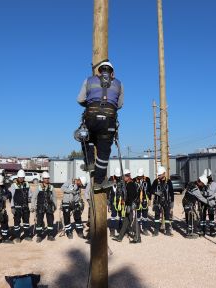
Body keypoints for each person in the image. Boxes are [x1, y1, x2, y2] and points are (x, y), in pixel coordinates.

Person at [76, 61, 124, 190]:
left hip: (91, 117)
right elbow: (119, 105)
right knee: (103, 152)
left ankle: (89, 162)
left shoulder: (89, 80)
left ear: (99, 71)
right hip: (109, 120)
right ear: (112, 72)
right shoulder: (119, 84)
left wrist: (91, 104)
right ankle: (98, 182)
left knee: (86, 136)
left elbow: (80, 99)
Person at [113, 169, 140, 243]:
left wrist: (125, 201)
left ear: (128, 176)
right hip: (128, 205)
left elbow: (131, 197)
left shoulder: (131, 184)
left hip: (131, 206)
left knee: (133, 222)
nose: (123, 178)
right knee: (125, 222)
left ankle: (138, 238)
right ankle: (120, 237)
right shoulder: (127, 184)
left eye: (124, 176)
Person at [32, 172, 57, 242]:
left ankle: (50, 235)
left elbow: (54, 197)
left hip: (49, 206)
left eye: (48, 178)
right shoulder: (39, 187)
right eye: (45, 178)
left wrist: (55, 206)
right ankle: (39, 236)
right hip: (40, 207)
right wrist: (33, 206)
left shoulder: (51, 187)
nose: (47, 179)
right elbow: (33, 197)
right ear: (42, 179)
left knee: (50, 221)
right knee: (39, 222)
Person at [9, 170, 33, 243]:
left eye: (22, 178)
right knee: (17, 223)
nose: (21, 179)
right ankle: (17, 237)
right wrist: (12, 207)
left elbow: (30, 193)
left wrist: (30, 197)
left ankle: (26, 236)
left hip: (25, 207)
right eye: (20, 178)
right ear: (18, 177)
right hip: (17, 207)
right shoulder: (14, 185)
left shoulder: (27, 184)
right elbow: (11, 197)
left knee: (26, 222)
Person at [151, 166, 174, 236]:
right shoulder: (156, 181)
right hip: (158, 202)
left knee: (167, 217)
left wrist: (172, 202)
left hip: (166, 202)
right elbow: (151, 190)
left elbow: (171, 192)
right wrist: (156, 192)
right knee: (157, 217)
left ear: (164, 174)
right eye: (158, 175)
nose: (158, 176)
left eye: (160, 175)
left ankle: (167, 231)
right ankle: (156, 231)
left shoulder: (169, 182)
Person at [134, 168, 152, 236]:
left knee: (145, 216)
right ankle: (137, 229)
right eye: (138, 176)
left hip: (145, 199)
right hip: (137, 200)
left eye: (140, 176)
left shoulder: (147, 179)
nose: (139, 177)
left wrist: (150, 199)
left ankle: (145, 229)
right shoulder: (134, 180)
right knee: (138, 216)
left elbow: (150, 190)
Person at [201, 169, 216, 236]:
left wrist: (202, 193)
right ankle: (202, 230)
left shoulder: (214, 184)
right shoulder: (202, 182)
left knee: (211, 216)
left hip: (211, 201)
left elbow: (211, 193)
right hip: (203, 201)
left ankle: (212, 230)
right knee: (202, 216)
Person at [108, 168, 123, 237]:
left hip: (120, 200)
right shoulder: (110, 179)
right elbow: (107, 191)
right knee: (113, 215)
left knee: (121, 215)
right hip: (113, 200)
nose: (118, 177)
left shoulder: (122, 178)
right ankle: (112, 230)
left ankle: (121, 228)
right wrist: (108, 201)